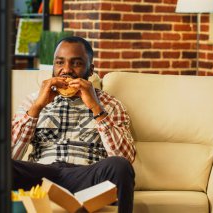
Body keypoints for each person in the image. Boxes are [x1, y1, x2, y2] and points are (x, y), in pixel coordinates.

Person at [11, 36, 136, 213]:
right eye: (59, 63)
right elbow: (10, 154)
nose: (66, 70)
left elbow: (125, 158)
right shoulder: (34, 101)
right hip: (43, 175)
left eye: (76, 63)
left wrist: (95, 107)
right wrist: (37, 107)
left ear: (90, 69)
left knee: (119, 166)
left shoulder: (110, 104)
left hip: (86, 176)